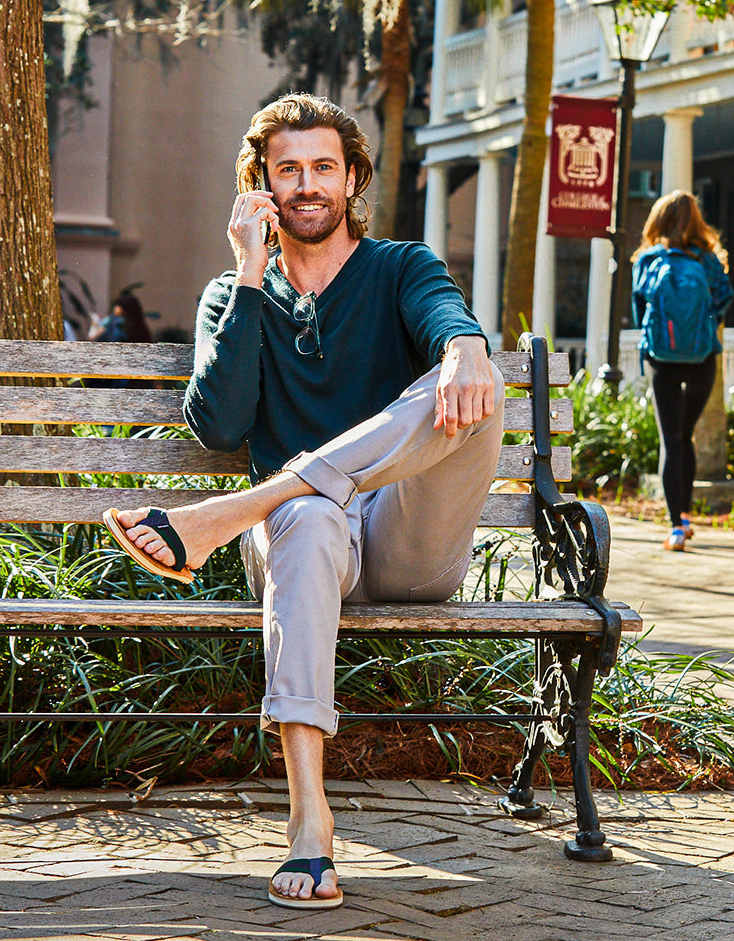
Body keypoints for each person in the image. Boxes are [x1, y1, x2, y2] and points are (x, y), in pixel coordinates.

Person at [101, 94, 503, 910]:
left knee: (470, 388)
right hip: (298, 546)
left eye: (324, 167)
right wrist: (250, 272)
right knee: (312, 513)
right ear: (261, 185)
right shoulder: (232, 293)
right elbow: (217, 423)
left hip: (404, 542)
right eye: (289, 169)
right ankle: (309, 826)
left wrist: (464, 347)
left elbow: (444, 315)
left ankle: (223, 518)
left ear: (352, 178)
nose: (308, 184)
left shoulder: (399, 267)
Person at [631, 190, 734, 552]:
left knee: (671, 440)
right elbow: (722, 301)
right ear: (697, 220)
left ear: (658, 221)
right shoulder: (708, 260)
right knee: (686, 434)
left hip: (661, 357)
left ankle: (676, 525)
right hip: (703, 356)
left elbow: (639, 308)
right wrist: (702, 325)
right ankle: (685, 517)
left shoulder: (646, 260)